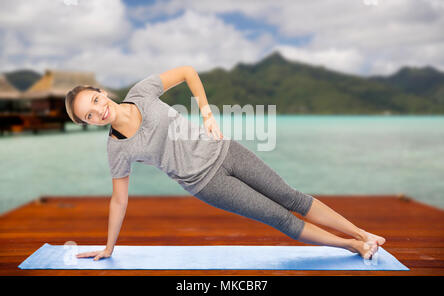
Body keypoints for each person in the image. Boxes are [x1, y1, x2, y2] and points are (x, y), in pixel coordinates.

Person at [65, 66, 385, 262]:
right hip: (206, 183)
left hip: (226, 150)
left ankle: (362, 232)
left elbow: (188, 71)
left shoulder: (142, 92)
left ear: (101, 92)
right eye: (88, 116)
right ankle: (353, 246)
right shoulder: (116, 149)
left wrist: (205, 111)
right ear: (88, 123)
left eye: (94, 101)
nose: (98, 111)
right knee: (280, 218)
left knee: (292, 197)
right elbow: (119, 200)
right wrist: (108, 248)